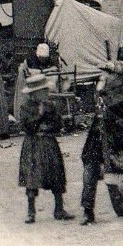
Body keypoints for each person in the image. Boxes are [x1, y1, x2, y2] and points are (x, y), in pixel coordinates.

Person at [80, 61, 123, 225]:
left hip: (116, 138)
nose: (102, 75)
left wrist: (103, 99)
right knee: (90, 169)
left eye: (107, 72)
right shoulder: (103, 89)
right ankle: (87, 211)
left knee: (111, 173)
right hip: (98, 136)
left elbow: (119, 116)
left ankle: (118, 205)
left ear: (116, 76)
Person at [18, 74, 74, 223]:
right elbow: (26, 127)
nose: (45, 94)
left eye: (45, 91)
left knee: (56, 174)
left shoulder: (51, 105)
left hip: (49, 143)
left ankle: (59, 209)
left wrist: (48, 124)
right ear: (33, 93)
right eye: (42, 91)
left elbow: (58, 124)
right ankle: (31, 211)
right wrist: (40, 116)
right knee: (32, 177)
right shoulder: (25, 108)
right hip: (33, 144)